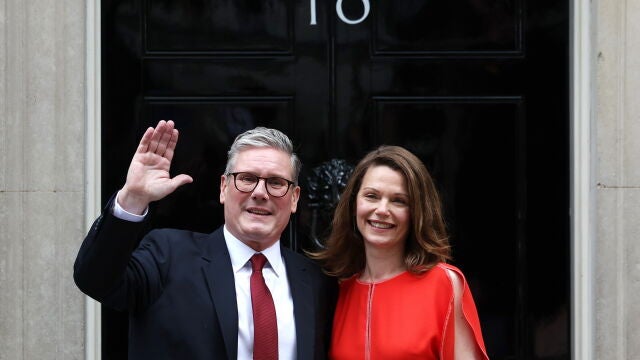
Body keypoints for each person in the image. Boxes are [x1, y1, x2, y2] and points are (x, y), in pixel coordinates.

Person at [74, 120, 337, 359]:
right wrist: (133, 198)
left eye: (276, 182)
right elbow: (96, 280)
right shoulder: (168, 256)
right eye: (247, 179)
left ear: (294, 198)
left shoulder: (314, 281)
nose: (260, 192)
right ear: (224, 188)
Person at [311, 145, 489, 359]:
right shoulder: (339, 291)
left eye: (398, 200)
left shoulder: (444, 283)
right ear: (353, 204)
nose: (382, 210)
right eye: (371, 196)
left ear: (416, 212)